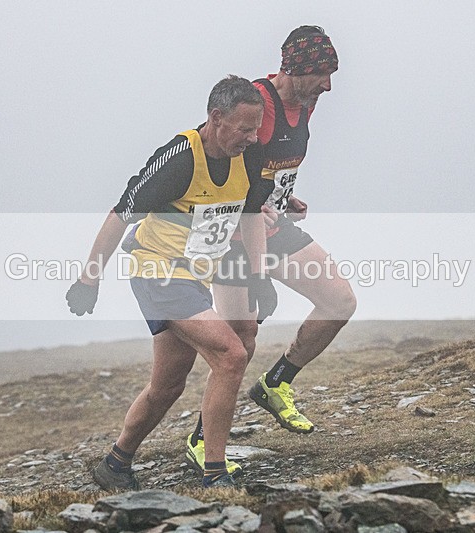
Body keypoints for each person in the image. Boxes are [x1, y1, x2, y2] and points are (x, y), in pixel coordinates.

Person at [66, 75, 276, 489]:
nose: (253, 137)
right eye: (245, 128)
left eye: (256, 128)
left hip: (195, 277)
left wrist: (259, 275)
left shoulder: (249, 157)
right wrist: (89, 279)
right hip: (157, 271)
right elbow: (121, 212)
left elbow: (251, 214)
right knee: (232, 355)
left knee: (167, 386)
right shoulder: (180, 157)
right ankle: (215, 473)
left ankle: (115, 463)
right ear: (216, 118)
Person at [184, 26, 357, 476]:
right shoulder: (257, 104)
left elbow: (270, 168)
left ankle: (276, 382)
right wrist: (247, 208)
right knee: (238, 342)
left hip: (274, 228)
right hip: (232, 238)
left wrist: (283, 197)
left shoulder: (309, 103)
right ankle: (202, 441)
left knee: (339, 300)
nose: (329, 85)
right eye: (322, 73)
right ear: (295, 68)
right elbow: (219, 155)